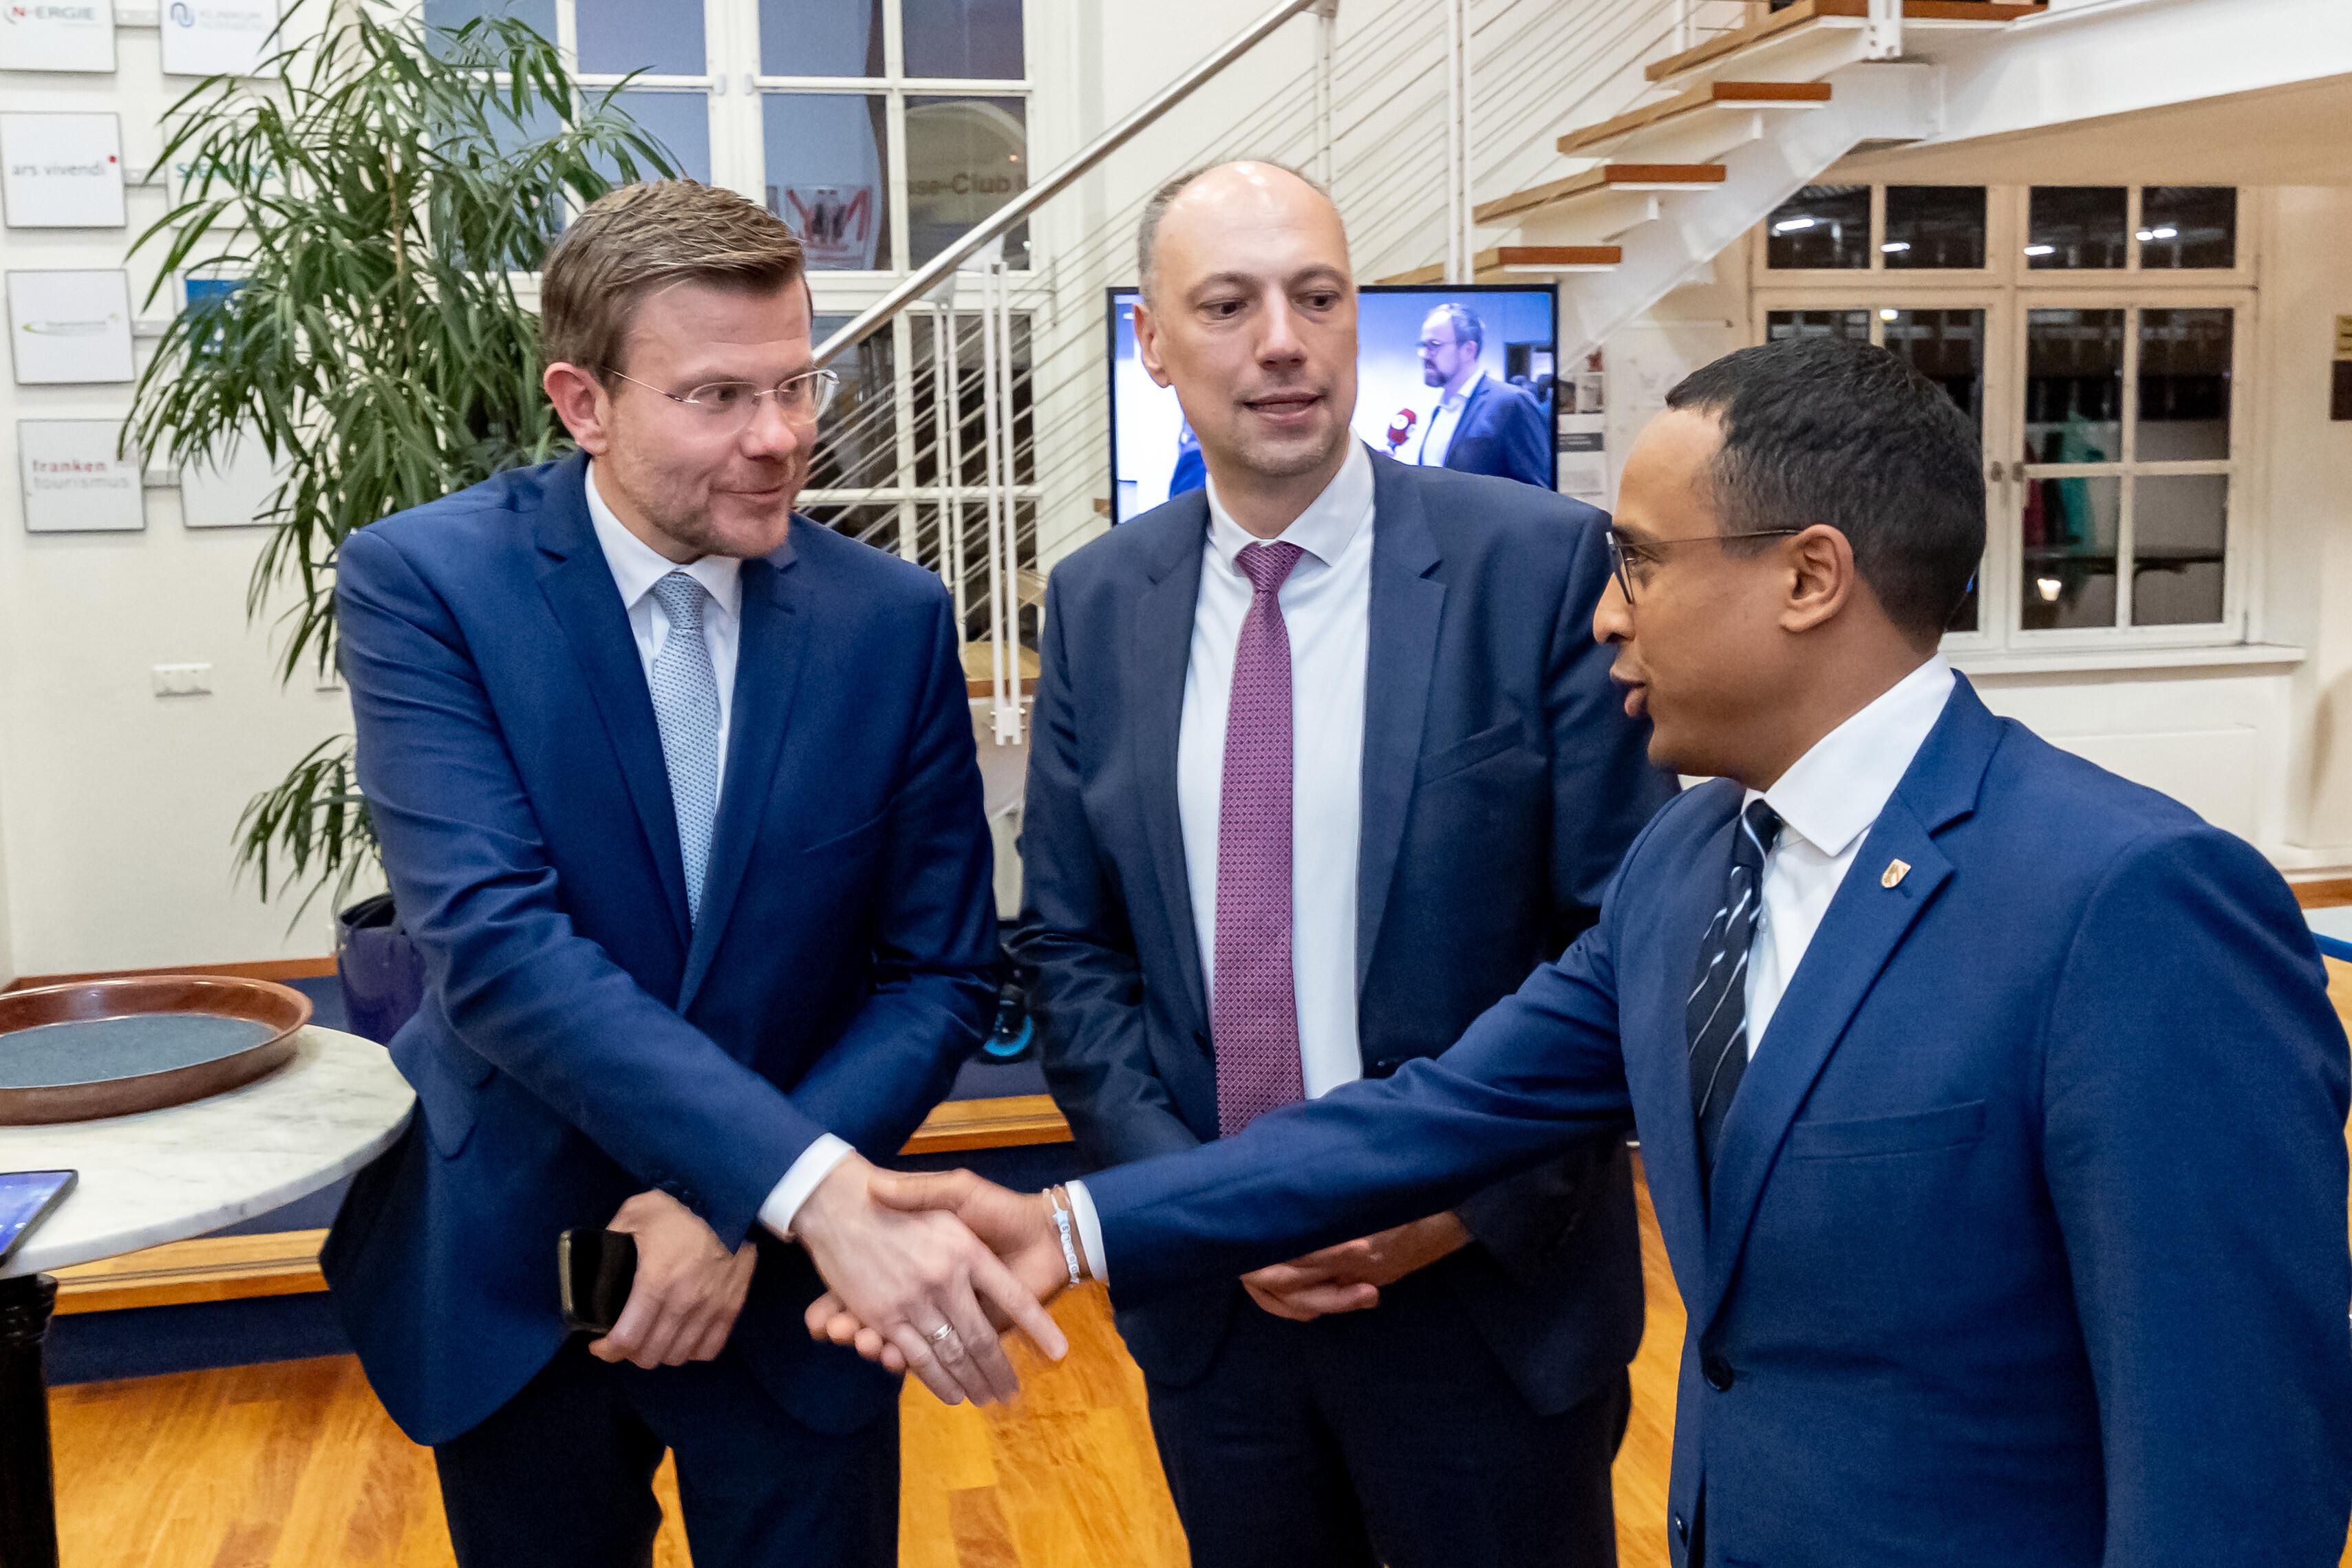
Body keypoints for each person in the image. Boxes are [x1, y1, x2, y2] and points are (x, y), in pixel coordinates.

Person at [817, 335, 2352, 1567]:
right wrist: (1070, 1222)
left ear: (1807, 576)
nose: (1607, 614)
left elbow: (2231, 1465)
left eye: (1640, 561)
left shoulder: (2131, 903)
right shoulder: (1687, 862)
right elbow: (1430, 1113)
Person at [322, 180, 1060, 1568]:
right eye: (717, 396)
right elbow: (497, 950)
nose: (779, 435)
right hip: (517, 1263)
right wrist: (796, 1183)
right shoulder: (428, 585)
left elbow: (941, 974)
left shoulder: (889, 621)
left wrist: (736, 1206)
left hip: (794, 1305)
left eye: (796, 382)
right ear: (582, 403)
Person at [1006, 159, 1675, 1568]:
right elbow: (1071, 946)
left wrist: (1455, 1201)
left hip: (1482, 1301)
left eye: (1316, 297)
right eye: (1228, 305)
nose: (1281, 342)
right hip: (1220, 1321)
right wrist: (1201, 1207)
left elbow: (1623, 934)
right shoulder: (1097, 601)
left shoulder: (1541, 567)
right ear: (1152, 344)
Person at [1413, 301, 1552, 488]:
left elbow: (1538, 492)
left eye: (1434, 345)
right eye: (1422, 345)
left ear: (1468, 350)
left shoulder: (1511, 404)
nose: (1423, 354)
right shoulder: (1440, 411)